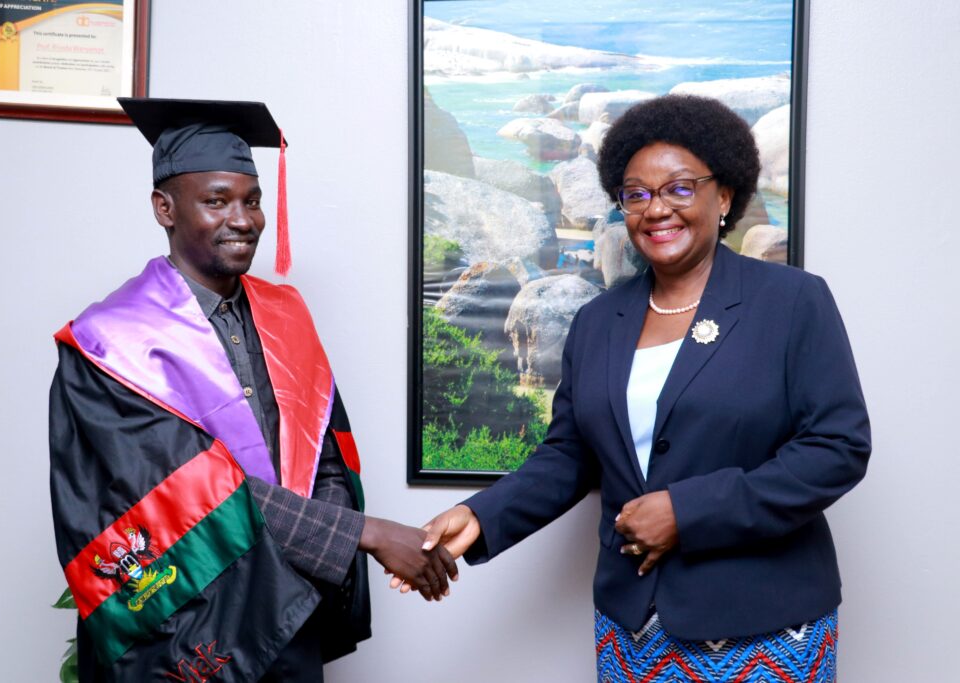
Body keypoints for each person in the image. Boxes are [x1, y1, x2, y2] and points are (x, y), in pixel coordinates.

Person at [416, 94, 870, 682]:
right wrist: (478, 515)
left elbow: (837, 448)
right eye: (636, 194)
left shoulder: (792, 302)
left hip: (766, 624)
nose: (657, 209)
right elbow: (570, 454)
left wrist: (687, 512)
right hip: (633, 630)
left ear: (725, 196)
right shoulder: (599, 321)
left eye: (680, 188)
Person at [48, 97, 456, 682]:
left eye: (252, 200)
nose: (242, 218)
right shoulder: (110, 344)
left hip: (290, 616)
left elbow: (327, 452)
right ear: (165, 208)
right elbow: (190, 493)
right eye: (216, 200)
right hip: (181, 632)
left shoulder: (285, 314)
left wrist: (313, 573)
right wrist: (365, 535)